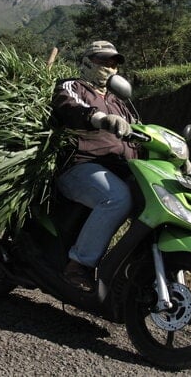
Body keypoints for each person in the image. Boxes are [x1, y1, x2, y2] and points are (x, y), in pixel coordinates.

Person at [51, 40, 140, 291]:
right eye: (103, 61)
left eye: (114, 63)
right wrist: (99, 118)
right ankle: (78, 265)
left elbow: (142, 131)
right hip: (81, 165)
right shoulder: (73, 86)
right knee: (117, 198)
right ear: (87, 62)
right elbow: (68, 107)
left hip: (120, 168)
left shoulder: (120, 102)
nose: (110, 67)